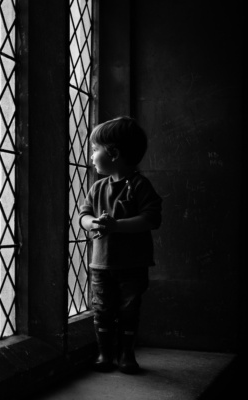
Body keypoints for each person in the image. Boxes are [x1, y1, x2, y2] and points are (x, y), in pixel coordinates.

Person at [79, 116, 162, 374]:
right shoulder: (97, 187)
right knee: (102, 309)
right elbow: (83, 216)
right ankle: (105, 355)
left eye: (95, 150)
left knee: (129, 309)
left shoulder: (139, 185)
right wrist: (95, 224)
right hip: (101, 263)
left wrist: (116, 226)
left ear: (113, 153)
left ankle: (127, 355)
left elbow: (151, 218)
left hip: (133, 264)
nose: (92, 156)